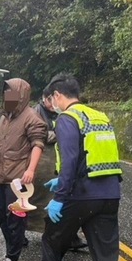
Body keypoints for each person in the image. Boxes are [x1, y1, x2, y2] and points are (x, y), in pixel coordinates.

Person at [40, 74, 124, 261]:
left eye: (51, 99)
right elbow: (94, 155)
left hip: (82, 195)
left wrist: (60, 195)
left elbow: (70, 160)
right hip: (109, 195)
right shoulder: (99, 116)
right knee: (106, 254)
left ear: (57, 95)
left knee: (51, 240)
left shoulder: (68, 119)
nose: (52, 105)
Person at [0, 78, 47, 261]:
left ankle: (13, 259)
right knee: (3, 218)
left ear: (21, 95)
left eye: (11, 93)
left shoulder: (32, 118)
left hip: (19, 180)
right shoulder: (5, 117)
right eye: (6, 94)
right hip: (2, 177)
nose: (7, 97)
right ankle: (9, 254)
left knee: (16, 220)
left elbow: (38, 144)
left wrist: (31, 170)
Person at [33, 89, 88, 251]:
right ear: (44, 99)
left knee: (62, 198)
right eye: (49, 101)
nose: (52, 105)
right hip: (45, 161)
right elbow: (39, 134)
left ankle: (68, 236)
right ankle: (50, 237)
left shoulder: (65, 113)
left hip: (59, 161)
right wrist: (62, 133)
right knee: (43, 200)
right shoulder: (37, 112)